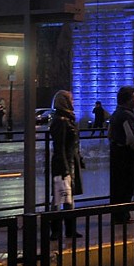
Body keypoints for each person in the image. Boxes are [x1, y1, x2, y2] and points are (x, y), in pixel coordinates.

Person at [49, 90, 84, 240]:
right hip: (63, 164)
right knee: (60, 197)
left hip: (69, 162)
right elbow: (60, 147)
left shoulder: (67, 118)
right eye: (70, 99)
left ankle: (68, 228)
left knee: (67, 197)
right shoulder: (61, 120)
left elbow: (72, 144)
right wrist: (64, 169)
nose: (73, 102)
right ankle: (58, 230)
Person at [108, 86, 134, 224]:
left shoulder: (116, 114)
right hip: (127, 157)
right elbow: (132, 138)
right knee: (126, 186)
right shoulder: (126, 116)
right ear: (127, 100)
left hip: (117, 156)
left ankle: (119, 215)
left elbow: (110, 135)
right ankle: (122, 215)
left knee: (118, 186)